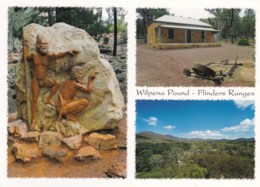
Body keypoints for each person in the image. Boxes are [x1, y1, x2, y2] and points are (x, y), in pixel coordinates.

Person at [23, 34, 79, 129]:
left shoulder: (48, 56)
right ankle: (33, 120)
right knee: (35, 99)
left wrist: (68, 52)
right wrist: (25, 47)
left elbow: (57, 55)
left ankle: (48, 99)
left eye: (46, 44)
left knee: (55, 85)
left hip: (44, 79)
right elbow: (26, 58)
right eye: (43, 44)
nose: (45, 46)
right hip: (36, 79)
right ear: (38, 45)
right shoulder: (34, 55)